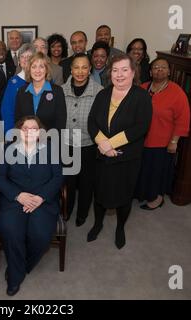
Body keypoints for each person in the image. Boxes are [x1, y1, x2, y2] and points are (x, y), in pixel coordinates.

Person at [87, 54, 152, 249]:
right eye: (115, 70)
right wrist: (101, 143)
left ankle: (120, 228)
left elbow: (141, 127)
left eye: (124, 70)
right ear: (110, 74)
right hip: (101, 157)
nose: (119, 74)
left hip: (126, 159)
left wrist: (110, 144)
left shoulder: (141, 97)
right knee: (99, 194)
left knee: (123, 196)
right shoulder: (103, 94)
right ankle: (97, 224)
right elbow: (92, 121)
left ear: (133, 72)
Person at [0, 116, 63, 296]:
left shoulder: (51, 150)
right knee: (11, 231)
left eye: (34, 128)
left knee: (41, 236)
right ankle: (15, 277)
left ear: (40, 132)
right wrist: (18, 195)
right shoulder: (7, 149)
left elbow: (58, 177)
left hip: (43, 201)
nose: (29, 131)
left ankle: (19, 266)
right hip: (14, 200)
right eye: (25, 128)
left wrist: (41, 198)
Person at [135, 58, 190, 210]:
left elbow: (183, 119)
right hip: (141, 140)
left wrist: (174, 141)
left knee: (158, 172)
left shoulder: (177, 92)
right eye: (156, 67)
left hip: (163, 143)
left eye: (163, 67)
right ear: (151, 72)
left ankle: (157, 198)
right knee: (143, 170)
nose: (159, 70)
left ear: (169, 71)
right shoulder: (143, 88)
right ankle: (142, 193)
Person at [62, 53, 103, 226]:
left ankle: (82, 213)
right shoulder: (60, 90)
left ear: (90, 69)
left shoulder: (100, 92)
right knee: (68, 182)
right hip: (67, 144)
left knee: (86, 183)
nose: (80, 71)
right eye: (76, 67)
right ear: (71, 69)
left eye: (84, 67)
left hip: (88, 145)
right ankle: (67, 209)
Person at [15, 52, 67, 132]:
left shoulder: (57, 92)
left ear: (46, 70)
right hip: (26, 141)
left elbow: (61, 123)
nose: (37, 70)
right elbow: (18, 121)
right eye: (34, 67)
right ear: (29, 70)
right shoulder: (21, 92)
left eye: (41, 67)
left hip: (50, 141)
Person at [0, 43, 34, 135]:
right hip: (18, 132)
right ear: (18, 60)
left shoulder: (43, 81)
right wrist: (11, 133)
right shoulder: (13, 82)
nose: (26, 59)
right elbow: (7, 110)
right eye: (22, 56)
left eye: (29, 56)